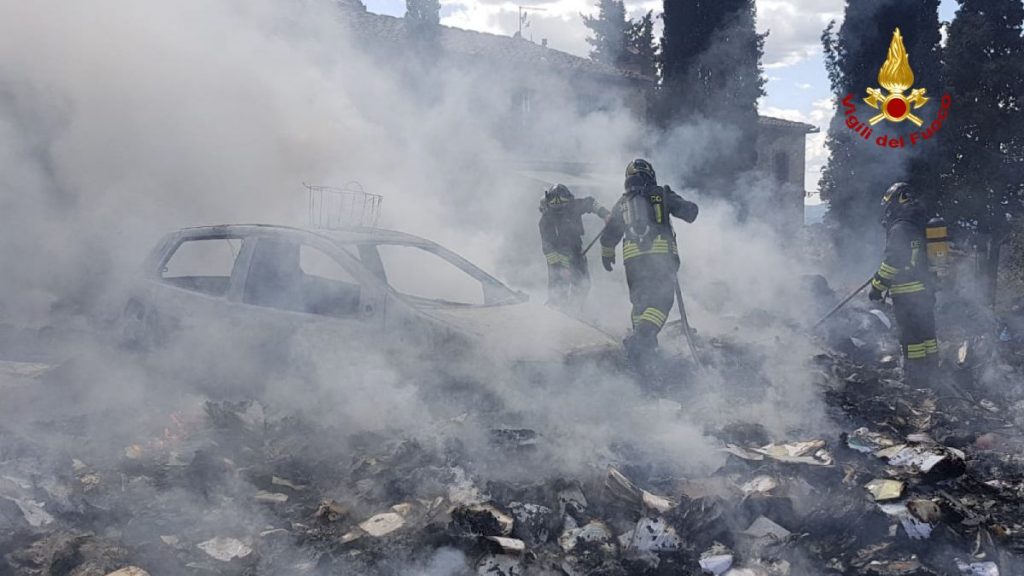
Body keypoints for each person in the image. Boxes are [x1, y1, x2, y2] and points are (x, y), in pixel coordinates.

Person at [600, 159, 699, 363]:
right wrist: (689, 206)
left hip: (632, 261)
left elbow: (609, 234)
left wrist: (607, 254)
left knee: (640, 304)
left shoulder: (622, 203)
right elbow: (689, 212)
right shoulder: (661, 193)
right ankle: (641, 339)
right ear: (650, 175)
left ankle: (643, 354)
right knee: (661, 302)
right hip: (660, 257)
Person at [869, 181, 938, 386]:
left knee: (912, 339)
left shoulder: (899, 227)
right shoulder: (920, 223)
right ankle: (932, 373)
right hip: (925, 291)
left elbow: (891, 262)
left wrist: (876, 288)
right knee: (927, 335)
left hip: (907, 294)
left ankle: (916, 380)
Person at [538, 183, 611, 309]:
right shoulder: (545, 221)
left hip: (577, 252)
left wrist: (605, 214)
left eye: (563, 205)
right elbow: (548, 249)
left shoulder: (573, 206)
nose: (560, 210)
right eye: (556, 206)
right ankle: (555, 311)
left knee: (583, 285)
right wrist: (561, 269)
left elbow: (590, 202)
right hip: (558, 258)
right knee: (558, 290)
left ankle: (574, 310)